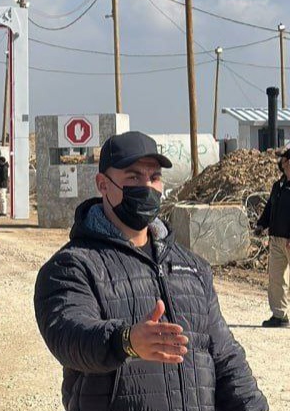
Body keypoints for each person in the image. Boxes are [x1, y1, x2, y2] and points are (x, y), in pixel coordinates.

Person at [34, 131, 267, 411]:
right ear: (102, 184)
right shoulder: (72, 266)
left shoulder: (191, 267)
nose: (146, 187)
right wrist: (126, 341)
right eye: (133, 177)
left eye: (154, 177)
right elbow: (69, 337)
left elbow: (225, 358)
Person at [255, 146, 290, 327]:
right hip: (276, 239)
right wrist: (262, 224)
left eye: (283, 159)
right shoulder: (278, 186)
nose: (280, 162)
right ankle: (280, 315)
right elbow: (270, 207)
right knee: (277, 279)